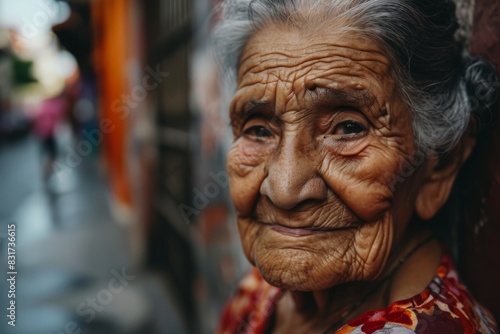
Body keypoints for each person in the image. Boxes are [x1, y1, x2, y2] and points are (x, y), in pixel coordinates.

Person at [212, 0, 499, 333]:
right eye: (259, 129)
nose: (283, 189)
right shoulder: (269, 289)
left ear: (440, 166)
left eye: (348, 128)